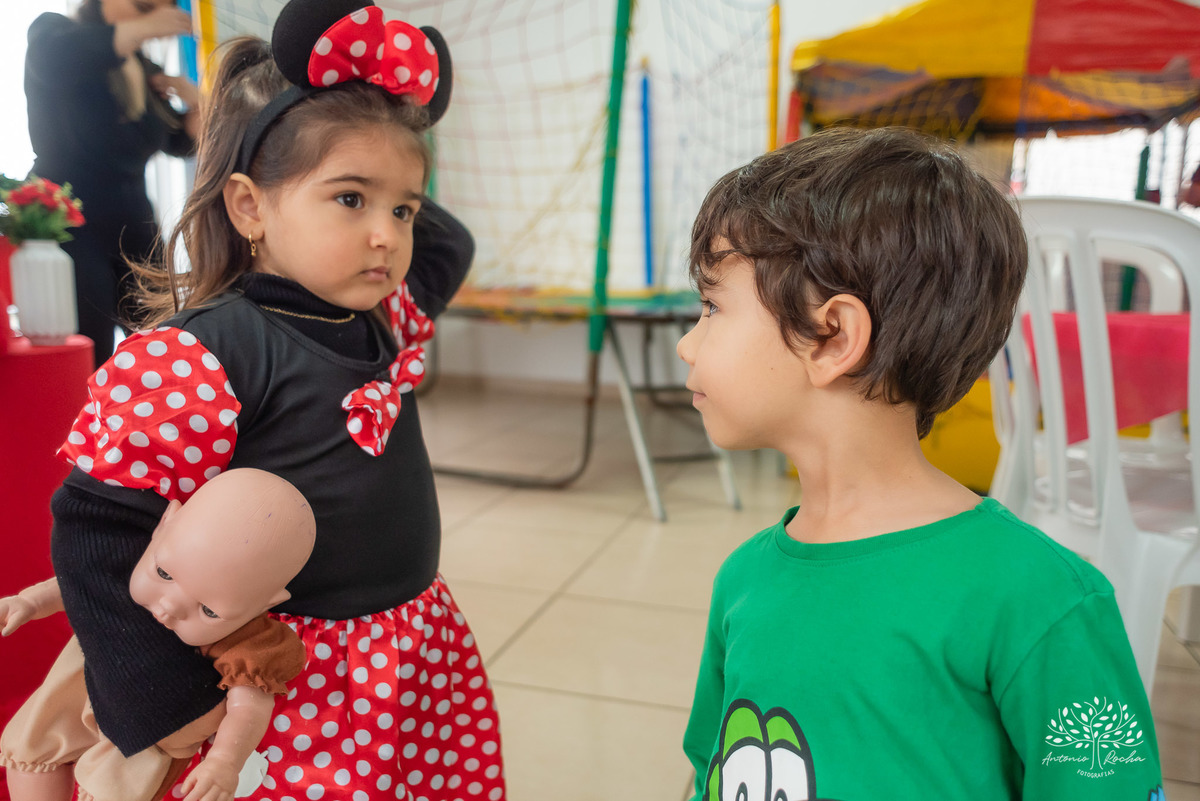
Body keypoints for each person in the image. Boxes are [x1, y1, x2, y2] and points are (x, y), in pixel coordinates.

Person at [41, 0, 502, 798]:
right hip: (293, 687)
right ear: (250, 205)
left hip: (404, 647)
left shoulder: (386, 317)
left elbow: (447, 248)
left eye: (403, 208)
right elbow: (98, 532)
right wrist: (160, 703)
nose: (389, 235)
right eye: (350, 199)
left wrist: (379, 116)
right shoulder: (204, 353)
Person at [676, 127, 1165, 800]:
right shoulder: (744, 579)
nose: (686, 343)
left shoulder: (1041, 600)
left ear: (832, 336)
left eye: (710, 306)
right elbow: (714, 768)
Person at [0, 468, 315, 801]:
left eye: (208, 611)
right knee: (32, 750)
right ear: (164, 525)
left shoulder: (249, 639)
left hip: (155, 717)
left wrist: (225, 760)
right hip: (84, 673)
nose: (169, 607)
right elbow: (79, 587)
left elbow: (249, 705)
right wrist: (29, 602)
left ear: (262, 605)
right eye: (164, 573)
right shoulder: (126, 560)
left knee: (112, 789)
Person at [24, 0, 200, 366]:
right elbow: (55, 59)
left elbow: (176, 141)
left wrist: (196, 105)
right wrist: (144, 28)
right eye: (143, 7)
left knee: (165, 337)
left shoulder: (142, 66)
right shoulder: (54, 33)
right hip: (71, 216)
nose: (151, 18)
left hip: (133, 219)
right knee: (90, 343)